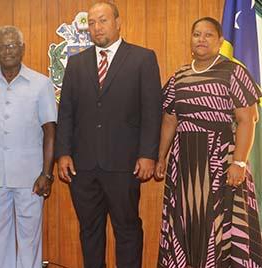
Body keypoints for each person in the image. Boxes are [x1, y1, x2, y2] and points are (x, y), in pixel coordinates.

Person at [55, 2, 162, 267]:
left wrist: (148, 155)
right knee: (89, 231)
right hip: (83, 167)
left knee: (127, 229)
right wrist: (63, 153)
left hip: (124, 165)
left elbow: (152, 112)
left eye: (102, 21)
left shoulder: (143, 58)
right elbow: (66, 112)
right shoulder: (76, 63)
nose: (96, 27)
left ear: (117, 22)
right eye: (91, 23)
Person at [155, 17, 262, 267]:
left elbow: (249, 119)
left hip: (221, 161)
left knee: (219, 223)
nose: (201, 40)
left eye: (208, 35)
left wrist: (239, 162)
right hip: (184, 164)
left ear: (220, 41)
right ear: (190, 40)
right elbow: (170, 120)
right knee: (186, 219)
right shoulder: (179, 76)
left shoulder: (234, 72)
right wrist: (161, 156)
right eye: (197, 34)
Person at [0, 25, 57, 268]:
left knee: (30, 240)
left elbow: (50, 131)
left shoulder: (41, 84)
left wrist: (47, 173)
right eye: (3, 46)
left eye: (13, 45)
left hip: (31, 179)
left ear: (22, 49)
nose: (8, 50)